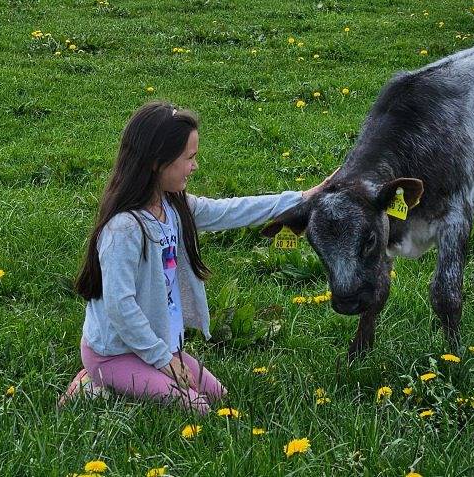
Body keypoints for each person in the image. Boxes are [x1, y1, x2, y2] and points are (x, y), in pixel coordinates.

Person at [60, 101, 328, 412]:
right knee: (197, 408)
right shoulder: (124, 230)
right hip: (115, 351)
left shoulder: (175, 206)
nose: (195, 166)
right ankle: (93, 382)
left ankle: (113, 381)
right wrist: (163, 362)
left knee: (219, 397)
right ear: (158, 162)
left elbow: (231, 210)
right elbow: (121, 307)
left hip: (157, 345)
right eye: (190, 158)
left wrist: (302, 199)